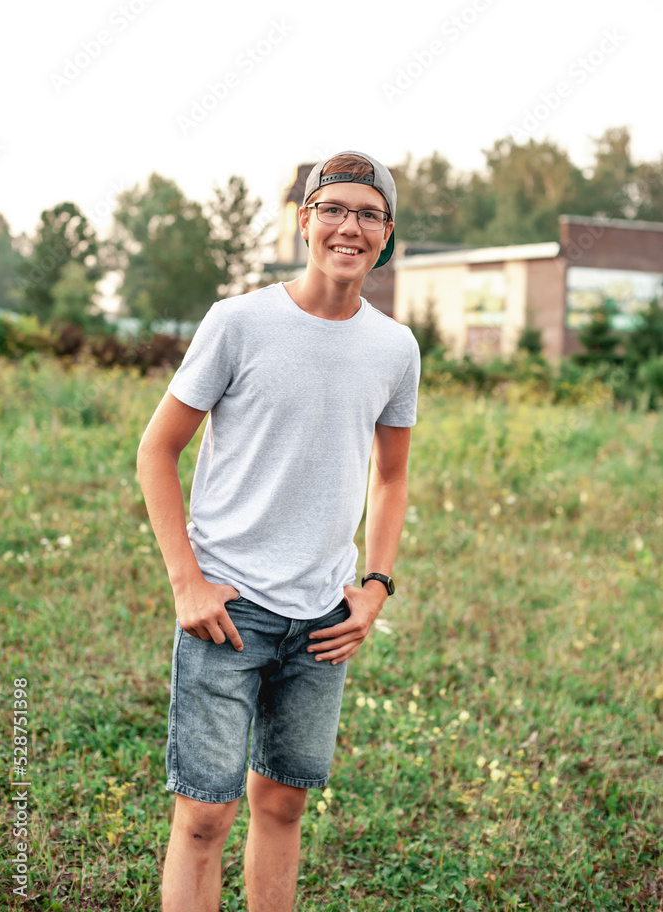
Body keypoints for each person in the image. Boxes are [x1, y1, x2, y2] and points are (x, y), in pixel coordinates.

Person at [136, 150, 420, 912]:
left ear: (386, 234)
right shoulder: (238, 323)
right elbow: (156, 451)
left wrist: (375, 587)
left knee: (283, 805)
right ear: (304, 221)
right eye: (333, 210)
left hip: (323, 618)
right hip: (227, 611)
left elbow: (390, 476)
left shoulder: (395, 348)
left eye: (368, 215)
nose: (349, 227)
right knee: (204, 816)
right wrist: (187, 583)